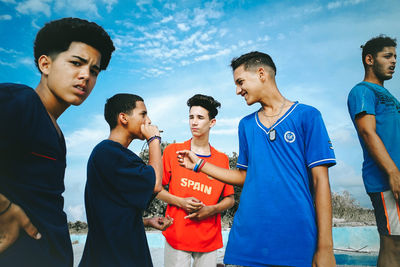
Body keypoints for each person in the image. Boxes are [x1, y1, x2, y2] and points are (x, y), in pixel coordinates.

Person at [177, 51, 337, 267]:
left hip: (296, 235)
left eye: (240, 82)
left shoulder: (308, 116)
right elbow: (244, 175)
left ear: (261, 73)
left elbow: (320, 182)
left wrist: (326, 247)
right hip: (250, 236)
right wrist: (199, 164)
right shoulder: (246, 125)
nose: (237, 90)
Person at [0, 18, 114, 266]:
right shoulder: (19, 101)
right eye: (76, 63)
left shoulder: (56, 131)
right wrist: (4, 209)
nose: (85, 76)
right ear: (45, 64)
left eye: (94, 71)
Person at [78, 93, 173, 267]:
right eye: (143, 114)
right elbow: (155, 184)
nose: (149, 121)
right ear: (123, 118)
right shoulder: (108, 153)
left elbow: (111, 212)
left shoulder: (115, 155)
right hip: (115, 257)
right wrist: (154, 140)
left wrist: (144, 221)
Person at [157, 94, 235, 267]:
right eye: (191, 117)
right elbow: (157, 190)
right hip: (177, 234)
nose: (194, 122)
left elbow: (230, 199)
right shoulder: (173, 151)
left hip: (209, 238)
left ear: (212, 122)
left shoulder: (221, 160)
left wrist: (212, 209)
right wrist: (181, 202)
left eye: (200, 117)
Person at [347, 35, 400, 266]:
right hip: (385, 179)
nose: (394, 61)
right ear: (369, 59)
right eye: (387, 56)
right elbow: (368, 133)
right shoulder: (362, 91)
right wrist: (392, 172)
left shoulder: (390, 96)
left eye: (395, 57)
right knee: (393, 244)